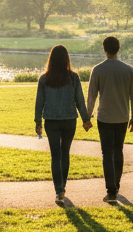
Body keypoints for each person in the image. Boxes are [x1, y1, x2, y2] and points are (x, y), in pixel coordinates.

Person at [34, 45, 92, 201]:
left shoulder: (44, 79)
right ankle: (62, 187)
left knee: (55, 155)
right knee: (65, 153)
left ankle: (59, 190)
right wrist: (85, 119)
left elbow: (39, 102)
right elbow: (79, 100)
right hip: (69, 120)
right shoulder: (73, 78)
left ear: (51, 59)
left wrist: (38, 122)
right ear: (67, 59)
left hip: (51, 121)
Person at [86, 36, 133, 203]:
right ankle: (116, 184)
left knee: (107, 154)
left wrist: (87, 116)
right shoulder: (129, 70)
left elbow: (92, 96)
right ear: (118, 49)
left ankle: (111, 191)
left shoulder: (98, 70)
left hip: (105, 117)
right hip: (122, 117)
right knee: (118, 150)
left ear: (104, 49)